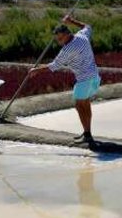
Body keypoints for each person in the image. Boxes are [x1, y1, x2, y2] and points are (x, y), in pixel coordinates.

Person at [29, 14, 100, 144]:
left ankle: (87, 135)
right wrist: (71, 20)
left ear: (67, 35)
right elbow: (87, 27)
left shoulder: (67, 50)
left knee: (79, 105)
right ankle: (87, 133)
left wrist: (37, 70)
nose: (59, 42)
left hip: (84, 79)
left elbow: (54, 66)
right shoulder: (82, 36)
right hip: (94, 76)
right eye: (57, 39)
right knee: (85, 104)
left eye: (60, 38)